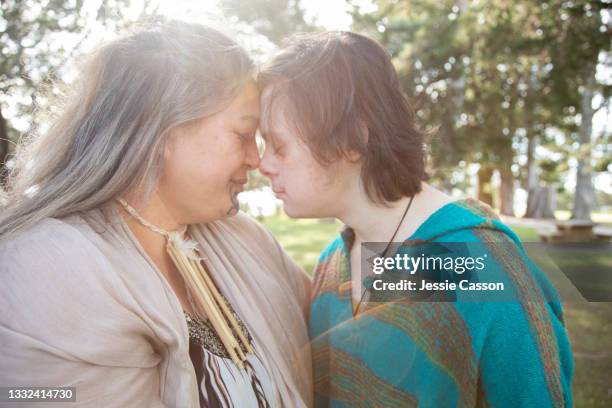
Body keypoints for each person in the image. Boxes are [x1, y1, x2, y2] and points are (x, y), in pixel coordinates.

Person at [0, 21, 312, 407]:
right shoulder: (48, 270)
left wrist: (399, 236)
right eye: (243, 134)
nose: (257, 159)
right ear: (163, 129)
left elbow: (340, 307)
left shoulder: (241, 236)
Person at [258, 31, 573, 407]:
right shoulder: (332, 263)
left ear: (352, 139)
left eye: (278, 146)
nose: (263, 165)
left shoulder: (484, 269)